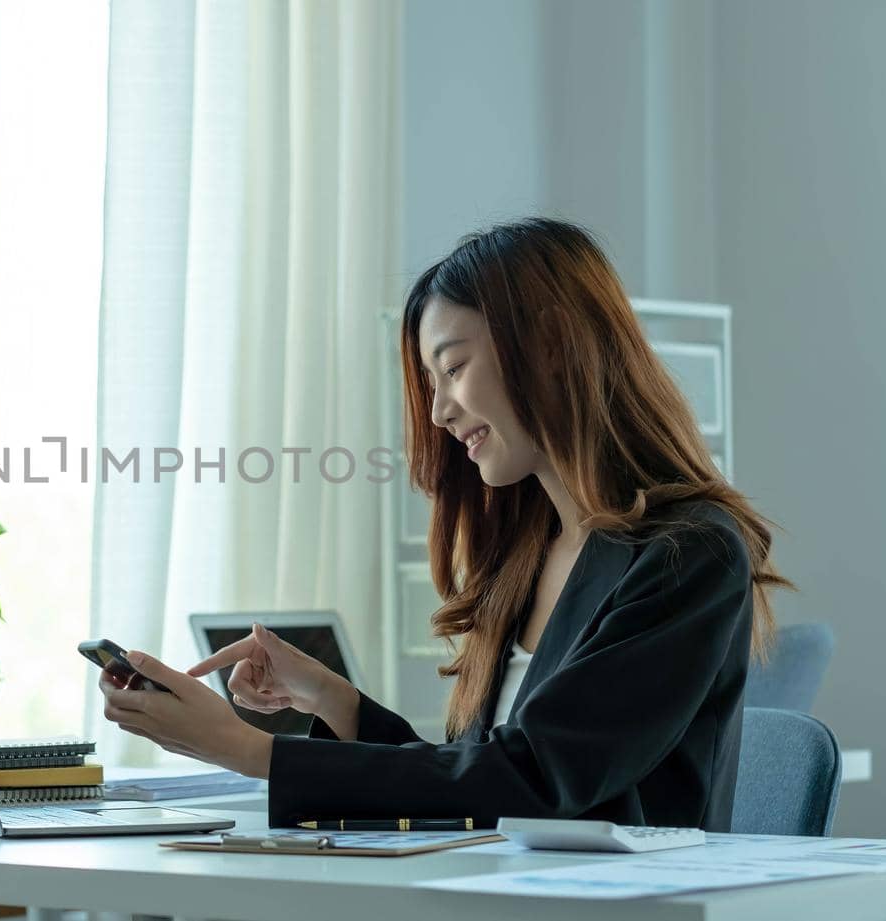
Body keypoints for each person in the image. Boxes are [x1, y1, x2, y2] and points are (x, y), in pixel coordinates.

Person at [97, 217, 792, 831]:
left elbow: (537, 779)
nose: (438, 413)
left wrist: (251, 751)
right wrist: (329, 697)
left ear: (550, 346)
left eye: (453, 368)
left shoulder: (691, 554)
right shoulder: (529, 554)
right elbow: (470, 775)